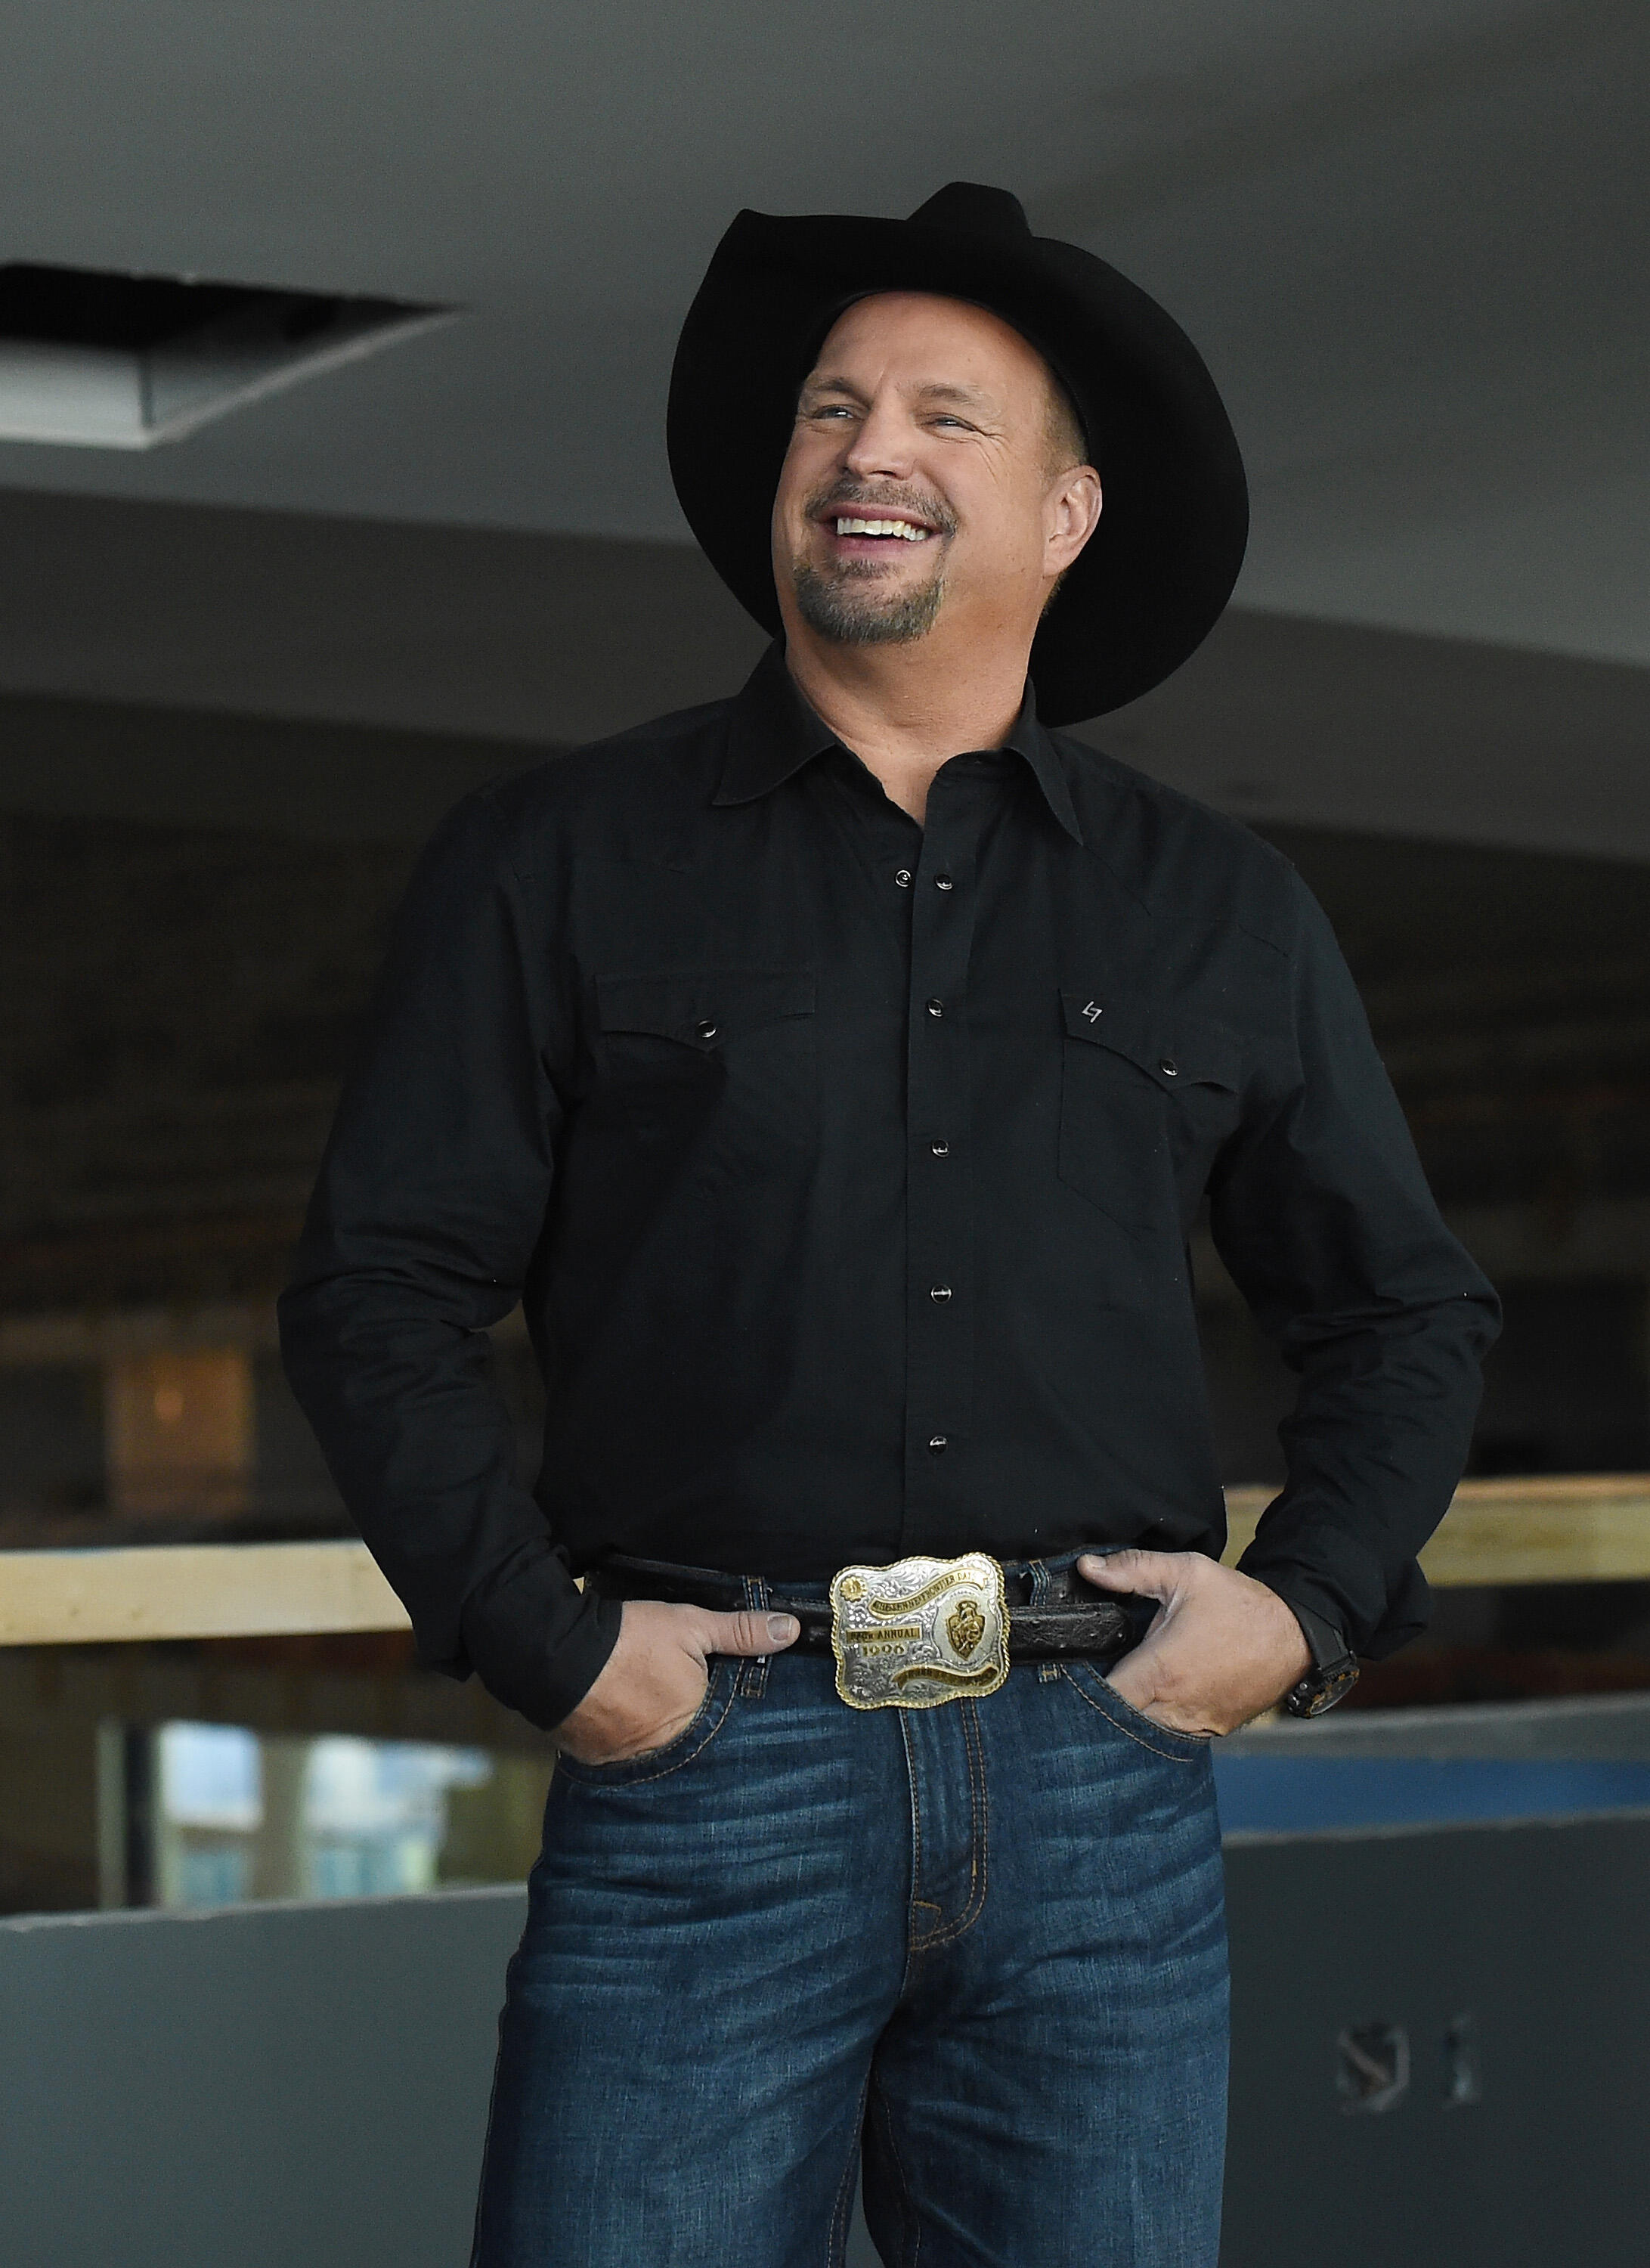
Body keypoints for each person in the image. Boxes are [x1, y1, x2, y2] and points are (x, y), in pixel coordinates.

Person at [280, 184, 1499, 2267]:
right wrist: (552, 1647)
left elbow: (1403, 1310)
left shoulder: (1217, 908)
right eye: (832, 412)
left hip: (1101, 1787)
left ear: (1067, 515)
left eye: (947, 418)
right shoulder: (555, 861)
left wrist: (1302, 1611)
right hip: (706, 1772)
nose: (869, 454)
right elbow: (379, 1290)